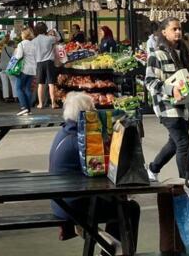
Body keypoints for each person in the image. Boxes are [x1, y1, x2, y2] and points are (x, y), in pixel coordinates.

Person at [48, 92, 141, 249]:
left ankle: (112, 248)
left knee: (118, 201)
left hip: (63, 201)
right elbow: (100, 172)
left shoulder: (66, 131)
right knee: (129, 208)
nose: (96, 111)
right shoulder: (80, 141)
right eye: (93, 108)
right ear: (85, 113)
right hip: (72, 206)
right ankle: (119, 251)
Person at [144, 17, 189, 182]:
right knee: (183, 143)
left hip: (185, 106)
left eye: (179, 28)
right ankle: (185, 184)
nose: (178, 32)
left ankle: (153, 168)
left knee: (174, 143)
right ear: (164, 32)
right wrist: (171, 90)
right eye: (174, 29)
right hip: (167, 107)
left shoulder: (186, 55)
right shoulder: (156, 55)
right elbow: (150, 81)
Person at [31, 22, 60, 109]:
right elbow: (58, 38)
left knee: (40, 84)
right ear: (46, 29)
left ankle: (40, 103)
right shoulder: (50, 39)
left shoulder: (34, 41)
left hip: (39, 63)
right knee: (51, 83)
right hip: (49, 63)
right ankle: (53, 103)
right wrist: (54, 31)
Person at [13, 27, 39, 116]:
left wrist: (15, 54)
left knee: (18, 88)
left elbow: (19, 56)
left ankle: (24, 107)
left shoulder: (21, 44)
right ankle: (28, 109)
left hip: (23, 69)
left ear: (24, 34)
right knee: (28, 89)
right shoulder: (34, 44)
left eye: (21, 34)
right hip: (32, 69)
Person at [0, 34, 16, 103]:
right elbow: (14, 59)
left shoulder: (3, 49)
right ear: (12, 45)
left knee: (4, 83)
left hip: (2, 67)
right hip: (9, 68)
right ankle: (15, 97)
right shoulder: (13, 50)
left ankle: (6, 97)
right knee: (13, 82)